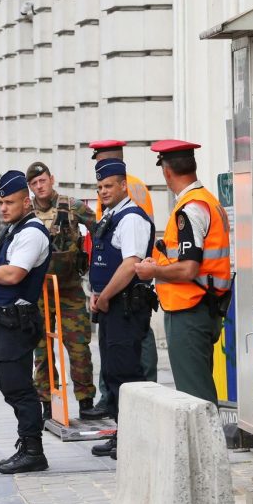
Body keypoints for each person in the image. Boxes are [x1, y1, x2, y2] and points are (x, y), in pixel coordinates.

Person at [134, 140, 231, 406]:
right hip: (202, 307)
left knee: (195, 398)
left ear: (166, 172)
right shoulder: (208, 201)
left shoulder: (189, 209)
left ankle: (208, 449)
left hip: (190, 310)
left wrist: (153, 270)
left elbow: (189, 267)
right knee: (197, 390)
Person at [0, 170, 51, 474]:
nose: (3, 208)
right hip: (7, 320)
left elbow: (13, 274)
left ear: (26, 200)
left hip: (19, 320)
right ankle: (28, 445)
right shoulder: (16, 229)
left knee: (19, 387)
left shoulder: (31, 233)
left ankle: (33, 450)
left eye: (9, 202)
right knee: (11, 385)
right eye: (0, 202)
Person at [88, 157, 156, 459]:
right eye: (100, 186)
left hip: (125, 306)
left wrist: (104, 297)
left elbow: (130, 265)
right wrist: (97, 294)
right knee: (114, 372)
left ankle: (136, 439)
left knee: (126, 373)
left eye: (108, 185)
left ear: (123, 185)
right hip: (110, 305)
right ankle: (122, 434)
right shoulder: (111, 216)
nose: (103, 191)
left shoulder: (131, 218)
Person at [25, 161, 100, 421]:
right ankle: (46, 401)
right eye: (34, 183)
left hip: (69, 288)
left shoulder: (72, 206)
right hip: (38, 292)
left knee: (78, 346)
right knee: (42, 349)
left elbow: (98, 229)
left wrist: (98, 269)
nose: (39, 186)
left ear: (51, 179)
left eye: (42, 180)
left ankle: (86, 400)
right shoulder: (27, 212)